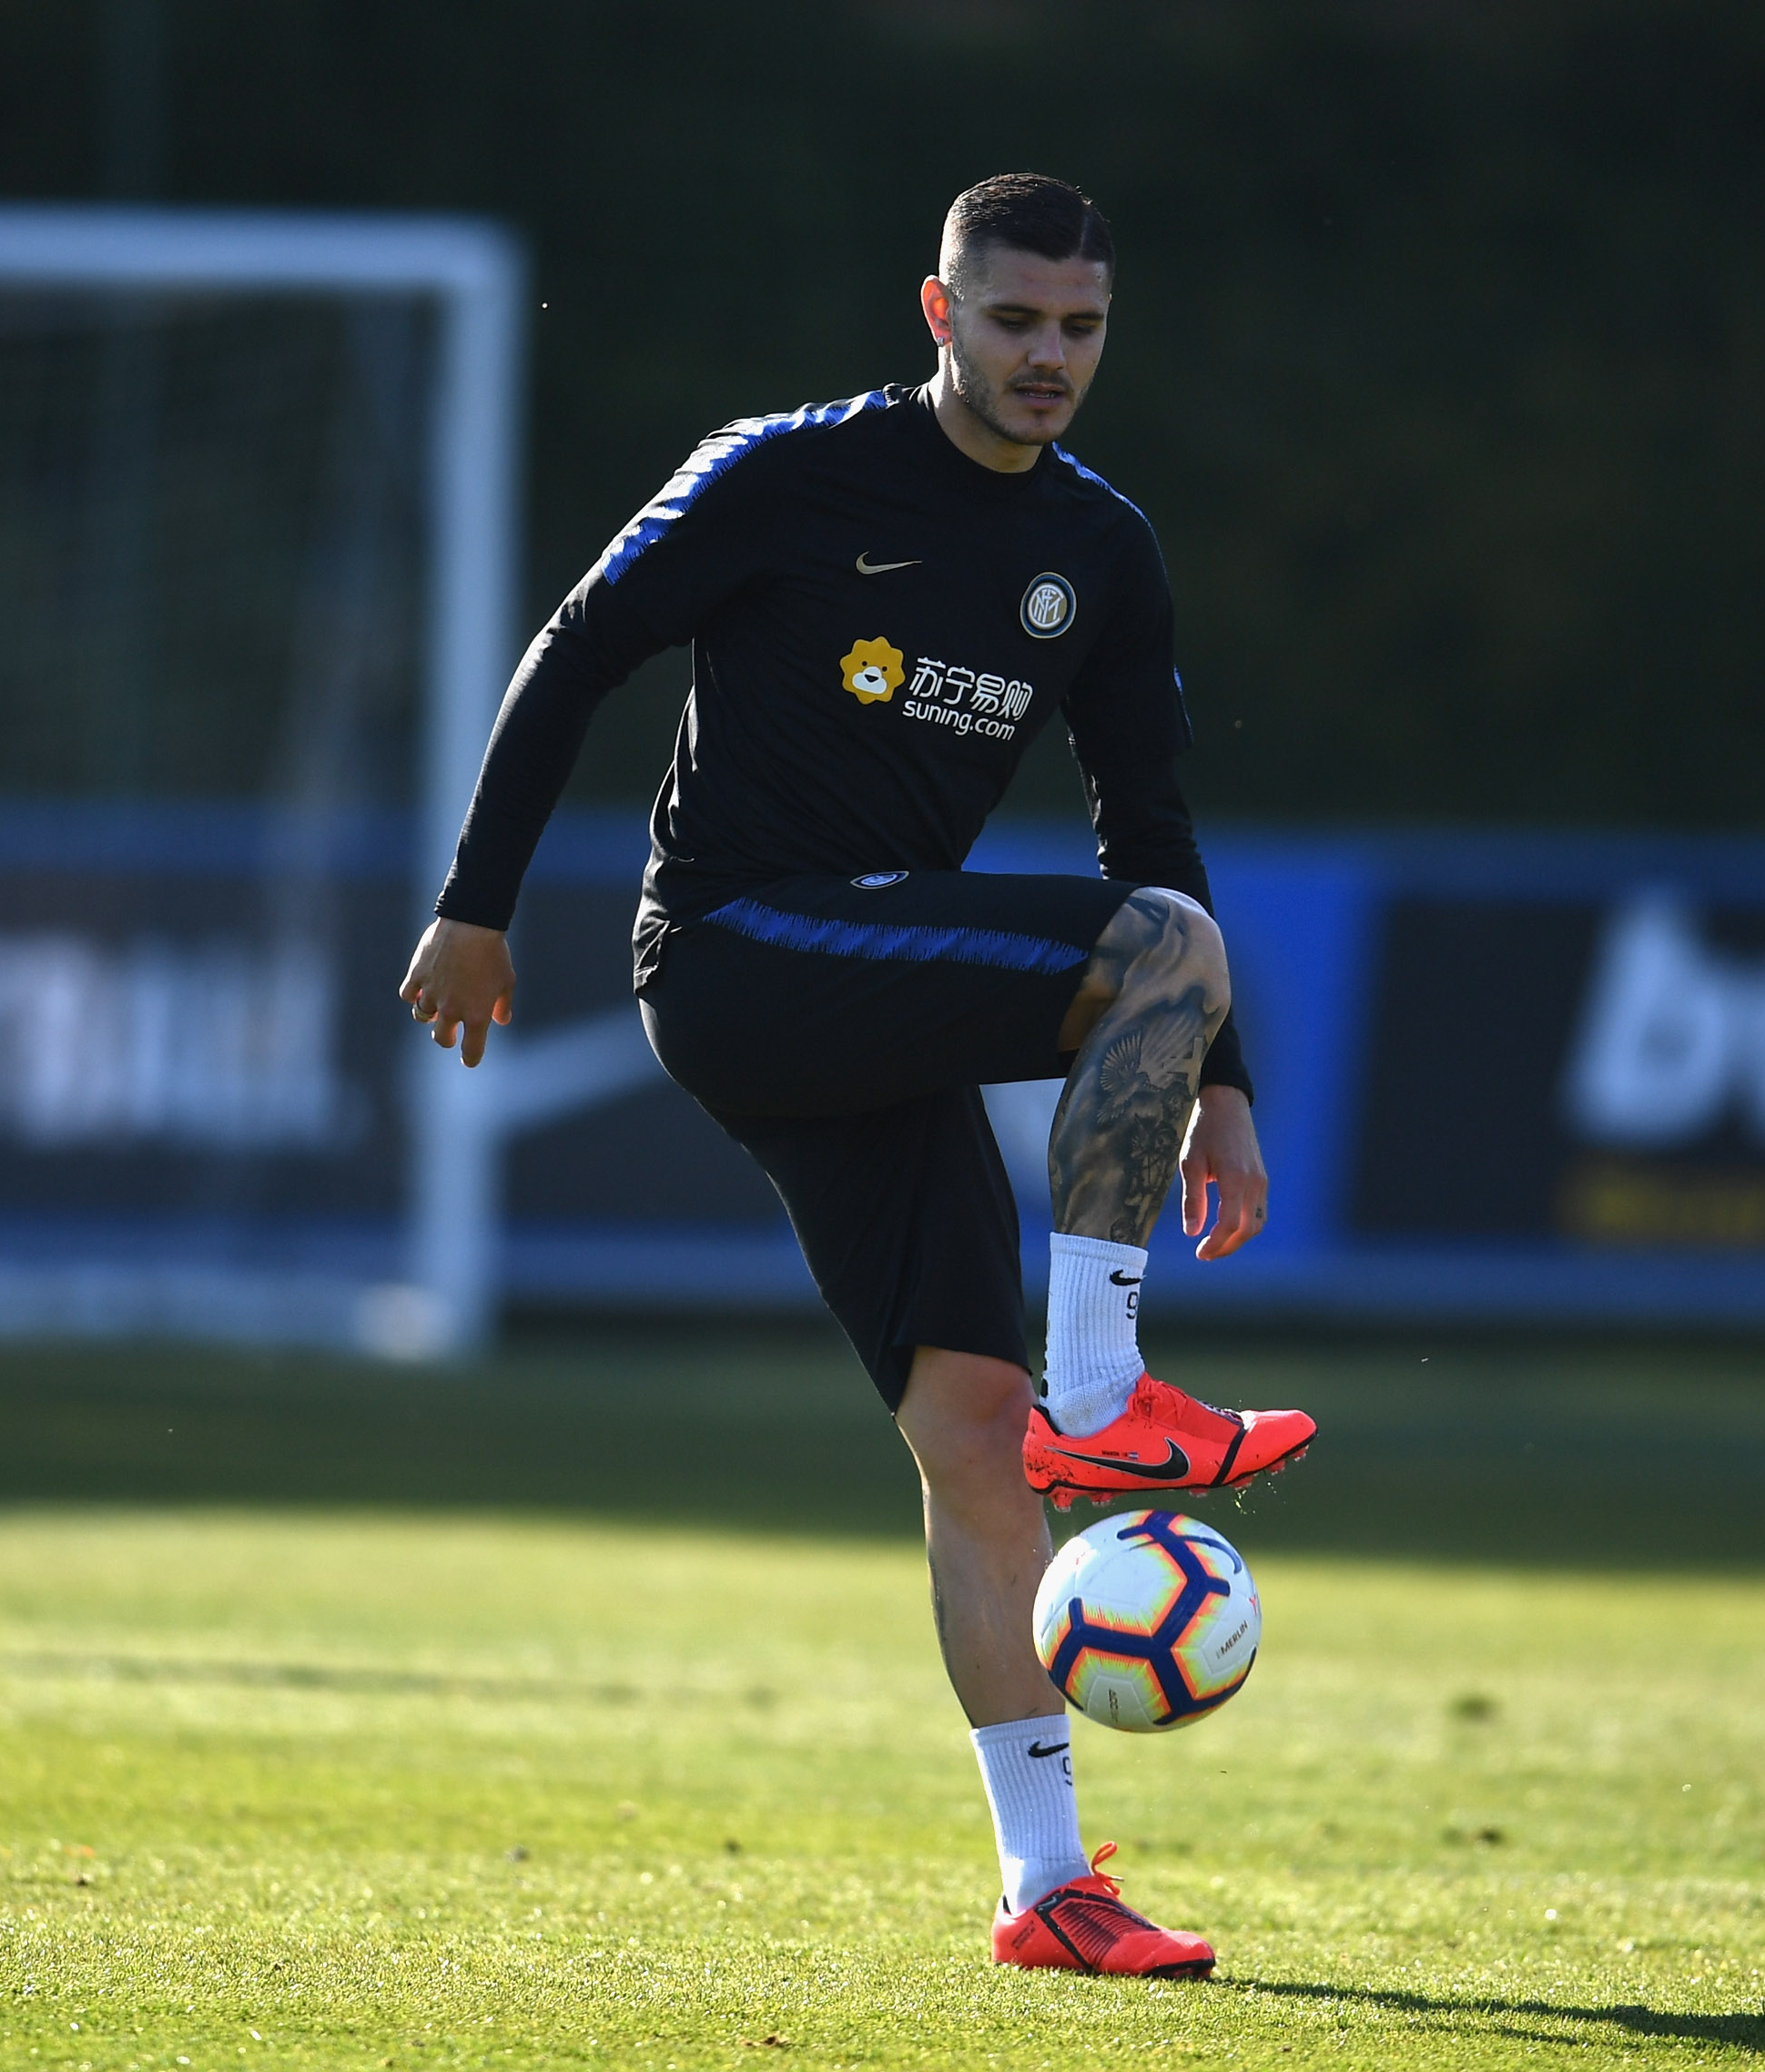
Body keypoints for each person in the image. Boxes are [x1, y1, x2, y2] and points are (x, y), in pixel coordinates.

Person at [400, 173, 1314, 1979]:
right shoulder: (784, 472)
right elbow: (580, 649)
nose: (1049, 356)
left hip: (868, 979)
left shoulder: (1101, 550)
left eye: (1081, 328)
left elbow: (1155, 819)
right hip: (742, 947)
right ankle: (1111, 1386)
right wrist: (474, 906)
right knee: (1158, 959)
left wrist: (1225, 1084)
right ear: (940, 314)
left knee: (977, 1448)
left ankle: (1045, 1886)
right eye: (1016, 320)